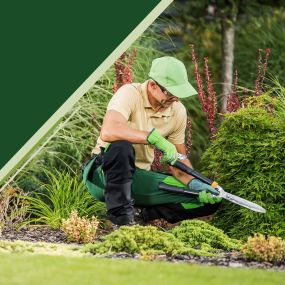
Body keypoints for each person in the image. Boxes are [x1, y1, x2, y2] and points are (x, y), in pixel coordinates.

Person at [83, 56, 221, 226]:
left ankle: (141, 216)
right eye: (171, 92)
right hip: (102, 175)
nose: (176, 98)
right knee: (120, 147)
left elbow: (179, 162)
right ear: (153, 85)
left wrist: (195, 184)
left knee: (208, 201)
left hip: (139, 178)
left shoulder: (177, 111)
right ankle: (122, 223)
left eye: (179, 94)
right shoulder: (130, 93)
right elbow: (109, 131)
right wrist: (152, 138)